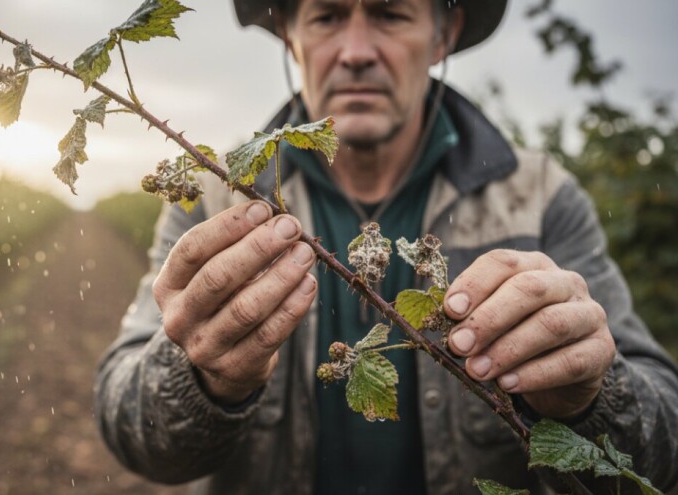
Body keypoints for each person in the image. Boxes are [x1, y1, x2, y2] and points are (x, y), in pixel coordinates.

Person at [94, 0, 678, 493]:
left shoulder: (542, 199)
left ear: (441, 35)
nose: (356, 51)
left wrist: (588, 398)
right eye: (325, 16)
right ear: (289, 36)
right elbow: (130, 426)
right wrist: (198, 379)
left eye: (391, 14)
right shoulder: (215, 199)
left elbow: (663, 443)